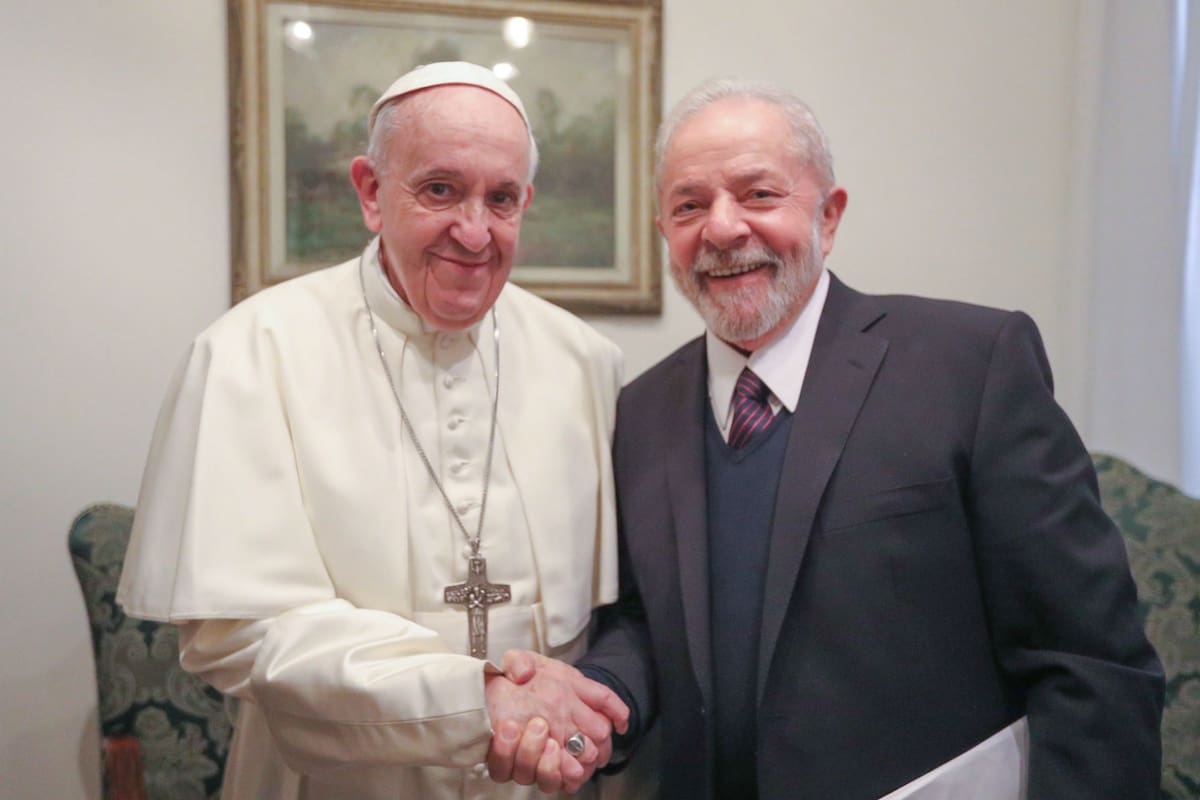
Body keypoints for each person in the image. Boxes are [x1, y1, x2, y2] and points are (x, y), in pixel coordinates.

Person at [502, 77, 1166, 799]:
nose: (722, 229)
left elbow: (1090, 661)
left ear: (830, 214)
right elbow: (643, 620)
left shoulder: (970, 367)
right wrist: (595, 701)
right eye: (689, 206)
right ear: (665, 232)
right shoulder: (641, 410)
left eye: (759, 194)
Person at [116, 61, 629, 799]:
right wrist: (473, 698)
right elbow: (241, 632)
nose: (474, 232)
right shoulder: (251, 353)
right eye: (440, 189)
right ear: (370, 192)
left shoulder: (586, 363)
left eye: (501, 198)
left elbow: (617, 615)